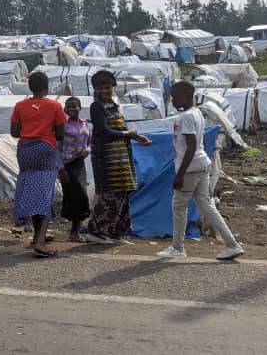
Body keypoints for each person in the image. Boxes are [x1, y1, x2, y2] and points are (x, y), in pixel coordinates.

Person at [158, 81, 245, 260]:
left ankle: (177, 247)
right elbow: (201, 139)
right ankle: (231, 244)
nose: (172, 100)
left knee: (179, 206)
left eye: (174, 96)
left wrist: (180, 174)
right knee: (206, 205)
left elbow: (190, 146)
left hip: (190, 168)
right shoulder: (197, 113)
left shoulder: (186, 117)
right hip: (202, 164)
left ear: (185, 96)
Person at [86, 70, 152, 245]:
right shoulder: (97, 107)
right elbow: (105, 131)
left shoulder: (115, 106)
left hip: (121, 156)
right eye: (100, 88)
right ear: (95, 90)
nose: (104, 91)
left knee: (123, 192)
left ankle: (114, 232)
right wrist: (128, 134)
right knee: (110, 193)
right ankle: (97, 231)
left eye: (107, 87)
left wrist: (136, 137)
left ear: (113, 88)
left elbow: (121, 129)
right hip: (106, 157)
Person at [10, 72, 67, 258]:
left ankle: (37, 237)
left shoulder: (20, 105)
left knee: (32, 190)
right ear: (47, 88)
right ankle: (40, 243)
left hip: (25, 150)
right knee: (44, 194)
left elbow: (14, 132)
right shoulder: (55, 106)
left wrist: (30, 130)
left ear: (30, 88)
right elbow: (60, 134)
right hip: (45, 149)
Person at [59, 97, 91, 242]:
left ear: (80, 107)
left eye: (74, 106)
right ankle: (74, 232)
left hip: (80, 163)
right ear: (65, 110)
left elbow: (90, 142)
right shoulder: (63, 126)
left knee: (80, 195)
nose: (71, 109)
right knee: (75, 196)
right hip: (67, 164)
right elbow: (57, 147)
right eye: (68, 107)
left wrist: (88, 150)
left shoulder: (85, 124)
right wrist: (60, 169)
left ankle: (75, 231)